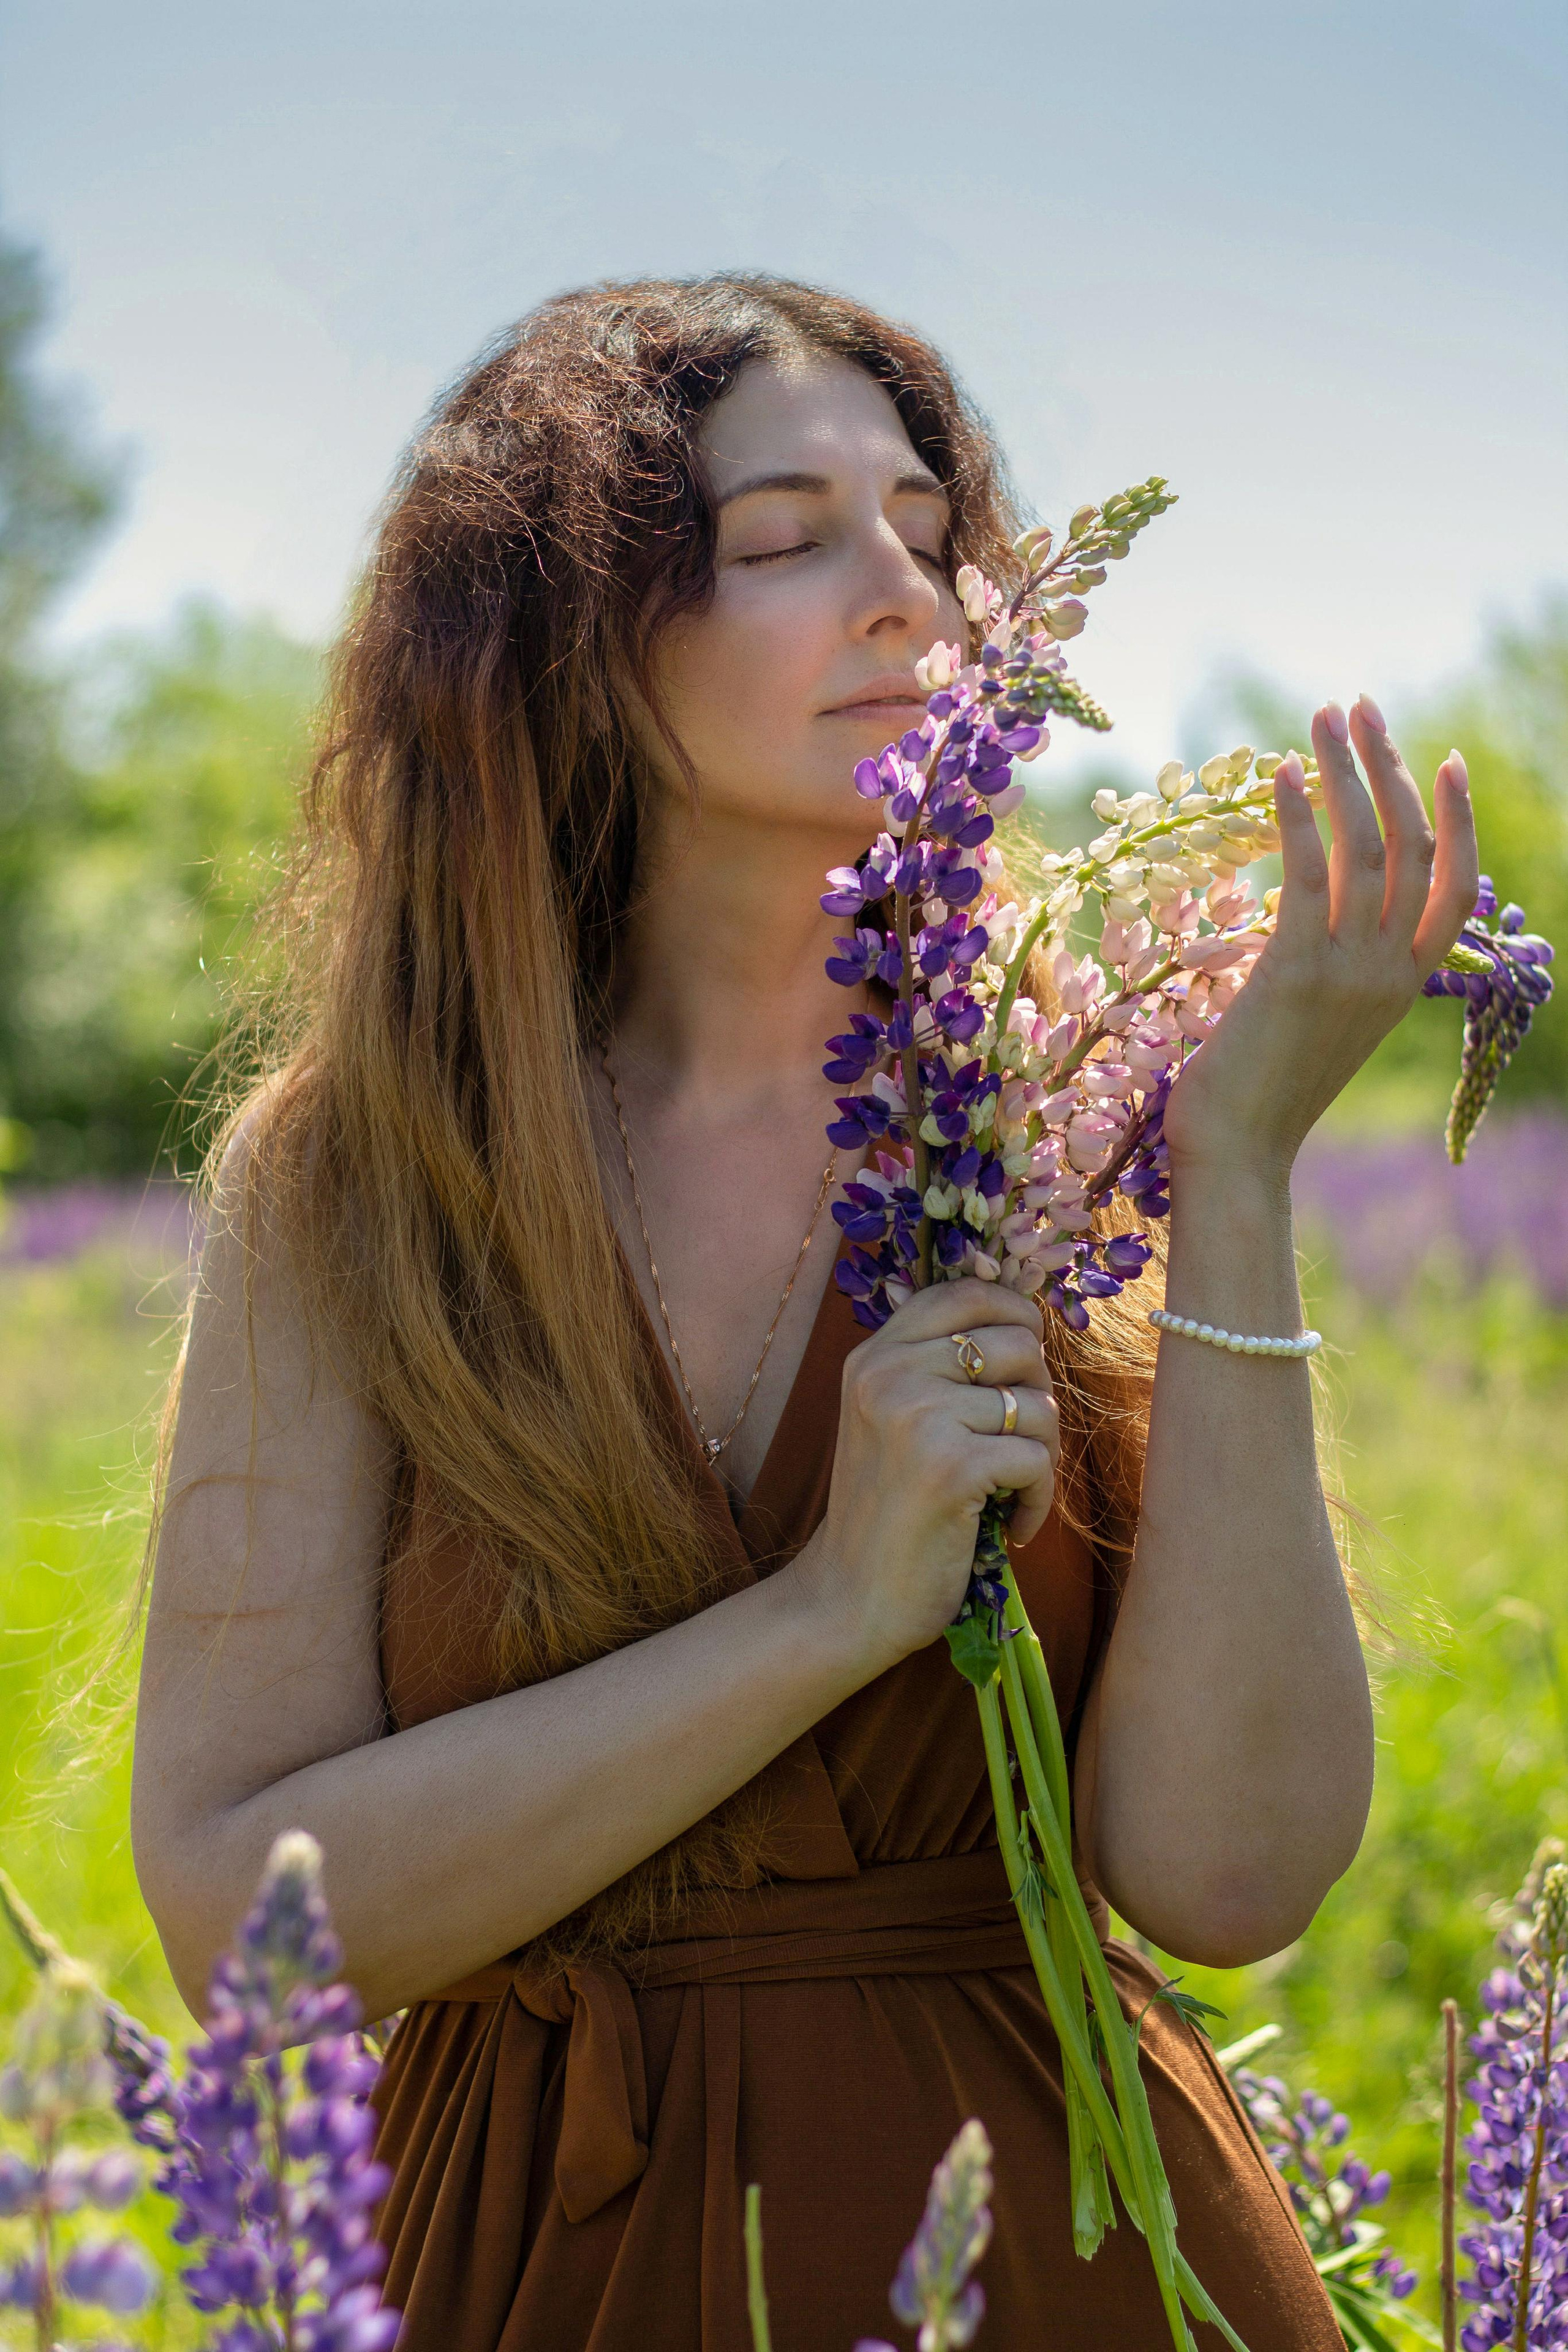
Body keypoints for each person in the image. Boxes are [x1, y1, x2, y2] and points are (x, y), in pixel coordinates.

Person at [130, 274, 1479, 2350]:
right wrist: (826, 1611)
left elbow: (1230, 1881)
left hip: (1070, 2253)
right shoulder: (355, 1180)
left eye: (936, 537)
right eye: (785, 541)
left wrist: (1232, 1177)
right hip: (534, 2264)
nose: (909, 599)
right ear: (566, 640)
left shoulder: (1072, 1111)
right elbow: (244, 1922)